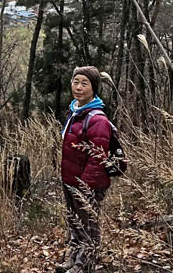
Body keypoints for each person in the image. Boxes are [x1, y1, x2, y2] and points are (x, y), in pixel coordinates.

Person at [56, 66, 112, 273]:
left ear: (94, 88)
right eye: (75, 82)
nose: (78, 87)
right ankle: (74, 259)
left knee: (88, 224)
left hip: (87, 183)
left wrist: (85, 186)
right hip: (71, 179)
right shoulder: (75, 112)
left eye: (84, 83)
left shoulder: (96, 118)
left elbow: (98, 157)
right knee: (74, 222)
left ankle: (85, 264)